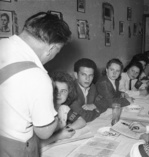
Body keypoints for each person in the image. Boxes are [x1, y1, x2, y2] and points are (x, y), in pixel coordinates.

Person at [0, 11, 71, 157]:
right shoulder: (38, 77)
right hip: (14, 146)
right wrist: (57, 118)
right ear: (51, 48)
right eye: (57, 51)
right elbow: (44, 132)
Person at [41, 71, 86, 147]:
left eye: (63, 91)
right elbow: (36, 144)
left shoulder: (64, 109)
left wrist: (67, 128)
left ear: (69, 93)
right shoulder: (42, 110)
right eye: (55, 90)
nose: (59, 94)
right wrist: (59, 135)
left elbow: (82, 121)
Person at [69, 58, 107, 122]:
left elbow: (104, 102)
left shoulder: (92, 86)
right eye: (83, 74)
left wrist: (94, 105)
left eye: (90, 75)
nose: (87, 79)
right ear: (76, 75)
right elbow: (84, 117)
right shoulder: (71, 91)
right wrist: (97, 110)